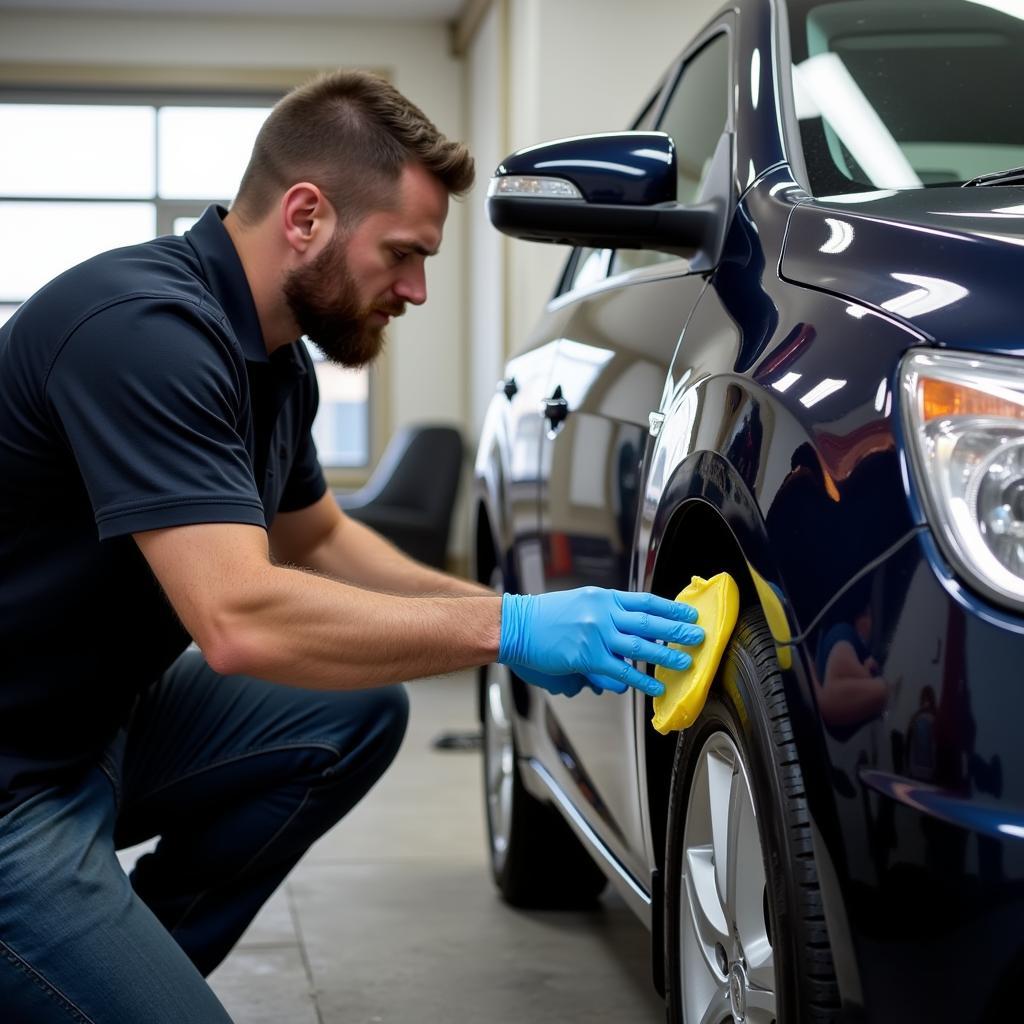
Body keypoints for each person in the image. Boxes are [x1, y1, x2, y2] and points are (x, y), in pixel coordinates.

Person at [0, 70, 705, 1021]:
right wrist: (509, 626)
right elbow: (240, 620)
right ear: (305, 216)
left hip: (96, 726)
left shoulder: (275, 362)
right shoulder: (144, 331)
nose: (414, 289)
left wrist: (494, 612)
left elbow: (321, 539)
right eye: (403, 254)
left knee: (352, 715)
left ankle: (95, 969)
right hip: (13, 779)